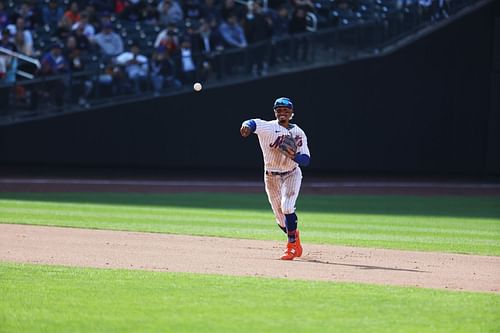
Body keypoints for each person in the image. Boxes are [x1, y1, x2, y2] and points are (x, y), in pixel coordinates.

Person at [240, 97, 311, 260]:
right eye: (279, 110)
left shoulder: (298, 133)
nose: (282, 113)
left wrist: (294, 156)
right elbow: (251, 123)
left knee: (287, 207)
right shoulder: (268, 127)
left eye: (286, 110)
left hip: (291, 173)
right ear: (275, 112)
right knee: (281, 219)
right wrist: (246, 127)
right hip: (271, 176)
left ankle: (291, 246)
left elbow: (306, 160)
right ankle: (295, 238)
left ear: (292, 113)